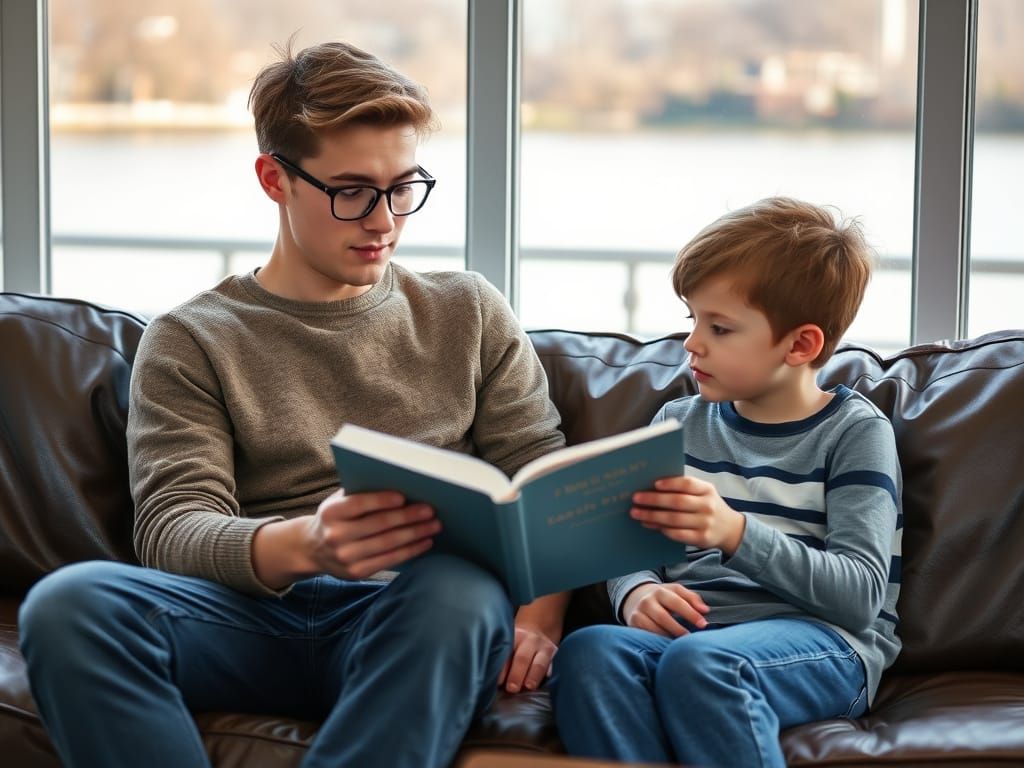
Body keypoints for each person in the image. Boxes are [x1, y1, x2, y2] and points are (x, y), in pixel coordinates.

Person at [19, 40, 570, 768]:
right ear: (274, 179)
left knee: (460, 591)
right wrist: (305, 545)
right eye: (352, 191)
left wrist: (540, 622)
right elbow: (172, 528)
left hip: (415, 616)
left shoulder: (465, 311)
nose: (384, 222)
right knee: (69, 605)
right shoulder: (190, 338)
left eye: (403, 188)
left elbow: (546, 482)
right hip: (250, 616)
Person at [548, 197, 903, 768]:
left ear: (800, 345)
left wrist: (734, 533)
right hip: (693, 638)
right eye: (693, 320)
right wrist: (636, 591)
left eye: (720, 327)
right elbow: (623, 545)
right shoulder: (677, 424)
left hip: (824, 647)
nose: (692, 343)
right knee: (591, 651)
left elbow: (859, 597)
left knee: (706, 665)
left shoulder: (856, 433)